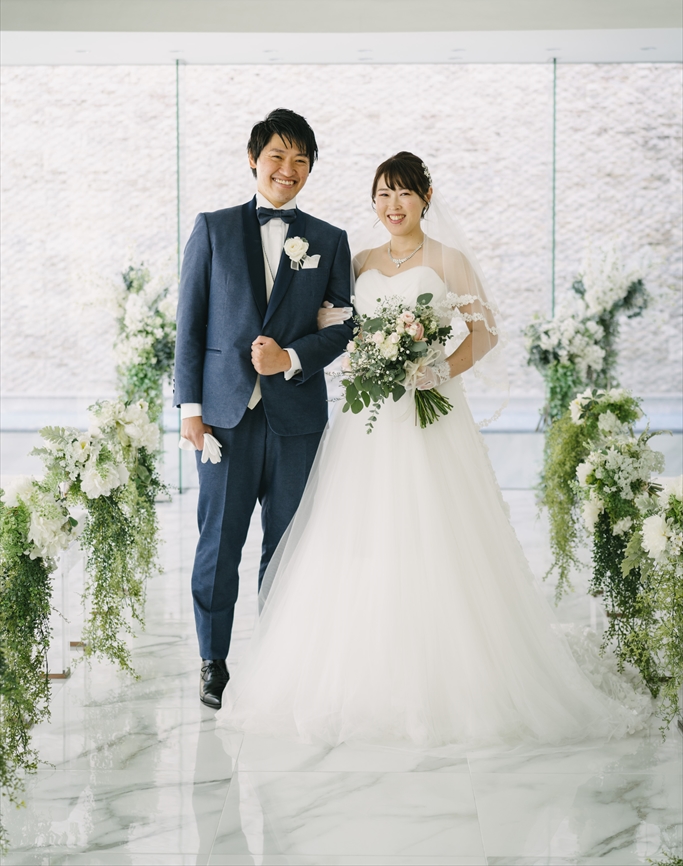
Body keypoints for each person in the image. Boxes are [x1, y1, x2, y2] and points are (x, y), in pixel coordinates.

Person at [216, 151, 649, 747]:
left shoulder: (449, 261)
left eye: (403, 193)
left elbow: (486, 333)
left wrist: (436, 369)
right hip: (367, 423)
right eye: (382, 195)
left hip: (430, 418)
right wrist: (352, 357)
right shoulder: (360, 260)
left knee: (437, 532)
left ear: (425, 197)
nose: (392, 206)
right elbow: (336, 329)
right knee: (360, 535)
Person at [173, 109, 354, 708]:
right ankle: (213, 661)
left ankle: (280, 663)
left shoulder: (329, 240)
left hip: (296, 420)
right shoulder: (213, 228)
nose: (288, 169)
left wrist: (291, 358)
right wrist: (191, 410)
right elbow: (190, 325)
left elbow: (341, 328)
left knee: (289, 546)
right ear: (253, 159)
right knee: (218, 545)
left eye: (301, 160)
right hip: (224, 418)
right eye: (278, 156)